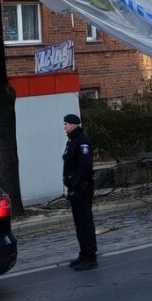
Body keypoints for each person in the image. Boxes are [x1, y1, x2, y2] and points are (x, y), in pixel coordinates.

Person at [62, 113, 97, 270]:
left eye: (66, 124)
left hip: (82, 189)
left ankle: (90, 257)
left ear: (74, 125)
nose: (64, 127)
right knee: (79, 223)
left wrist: (76, 184)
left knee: (85, 223)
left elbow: (85, 166)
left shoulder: (82, 141)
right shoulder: (73, 141)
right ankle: (84, 254)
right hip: (75, 189)